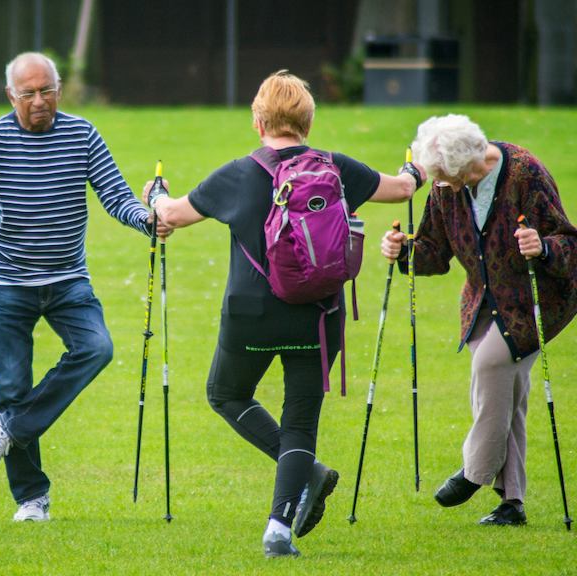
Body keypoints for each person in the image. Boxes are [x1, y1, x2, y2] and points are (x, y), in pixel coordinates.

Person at [146, 70, 422, 558]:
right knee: (300, 423)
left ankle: (309, 472)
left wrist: (155, 194)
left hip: (250, 315)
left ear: (258, 122)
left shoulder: (235, 174)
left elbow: (171, 216)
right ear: (309, 122)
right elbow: (400, 189)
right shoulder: (337, 169)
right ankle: (279, 528)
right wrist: (417, 172)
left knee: (225, 393)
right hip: (318, 316)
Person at [0, 52, 169, 522]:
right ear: (11, 95)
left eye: (47, 90)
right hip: (4, 283)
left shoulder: (82, 133)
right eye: (28, 93)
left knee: (96, 348)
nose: (39, 101)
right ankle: (32, 499)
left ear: (59, 90)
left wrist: (148, 221)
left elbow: (115, 194)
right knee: (13, 386)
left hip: (67, 279)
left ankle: (2, 429)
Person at [381, 114, 577, 526]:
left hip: (533, 301)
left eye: (448, 177)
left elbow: (569, 244)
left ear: (470, 163)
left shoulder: (525, 173)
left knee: (490, 366)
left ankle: (474, 472)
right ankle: (512, 503)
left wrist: (541, 246)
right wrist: (403, 251)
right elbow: (434, 253)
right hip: (481, 303)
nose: (443, 186)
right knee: (508, 396)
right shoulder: (446, 185)